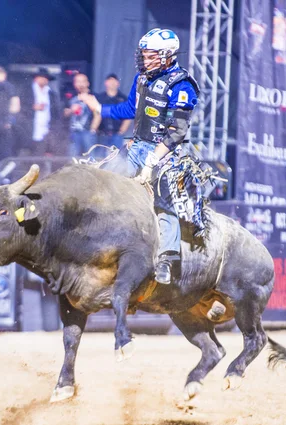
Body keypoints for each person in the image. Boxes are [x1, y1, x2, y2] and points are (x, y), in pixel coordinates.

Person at [80, 28, 199, 285]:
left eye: (151, 55)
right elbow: (129, 109)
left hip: (168, 153)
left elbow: (177, 132)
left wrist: (153, 161)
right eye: (143, 54)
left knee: (164, 200)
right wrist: (100, 108)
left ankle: (167, 257)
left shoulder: (182, 86)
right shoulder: (142, 78)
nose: (145, 59)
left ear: (166, 55)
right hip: (137, 147)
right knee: (104, 178)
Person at [20, 68, 60, 156]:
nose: (43, 79)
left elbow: (56, 113)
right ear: (35, 78)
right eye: (41, 77)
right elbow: (20, 107)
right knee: (27, 158)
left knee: (40, 158)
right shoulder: (26, 91)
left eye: (46, 78)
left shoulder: (51, 94)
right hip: (29, 130)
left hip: (45, 131)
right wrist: (32, 107)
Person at [90, 73, 131, 150]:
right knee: (100, 157)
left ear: (118, 83)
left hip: (117, 134)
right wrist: (94, 129)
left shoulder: (123, 99)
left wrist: (121, 131)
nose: (112, 83)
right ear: (106, 83)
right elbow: (96, 114)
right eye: (110, 81)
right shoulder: (100, 98)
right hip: (101, 134)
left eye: (114, 81)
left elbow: (128, 116)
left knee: (117, 156)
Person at [64, 73, 95, 157]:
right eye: (78, 81)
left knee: (91, 157)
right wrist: (71, 110)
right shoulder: (70, 97)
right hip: (74, 132)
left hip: (88, 132)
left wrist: (93, 129)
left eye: (83, 81)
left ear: (87, 83)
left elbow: (98, 113)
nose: (80, 84)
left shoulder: (93, 96)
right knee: (73, 157)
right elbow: (64, 113)